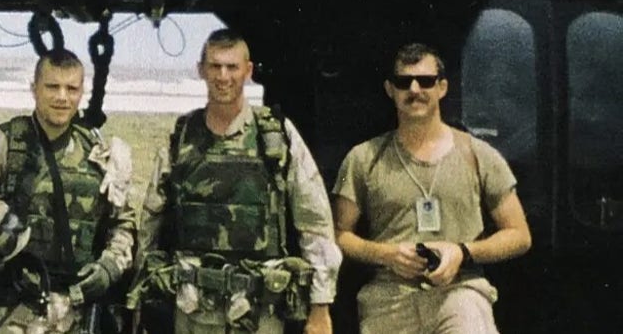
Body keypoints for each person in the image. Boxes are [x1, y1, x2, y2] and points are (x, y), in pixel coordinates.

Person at [132, 29, 341, 334]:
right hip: (194, 311)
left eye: (232, 67)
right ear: (201, 70)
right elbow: (151, 219)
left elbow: (315, 222)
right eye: (215, 66)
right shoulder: (182, 137)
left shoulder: (276, 136)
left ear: (248, 70)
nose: (223, 76)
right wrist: (141, 293)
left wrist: (321, 305)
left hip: (260, 312)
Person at [0, 48, 136, 334]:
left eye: (71, 88)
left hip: (74, 313)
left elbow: (123, 224)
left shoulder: (101, 156)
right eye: (52, 87)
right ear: (34, 89)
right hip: (8, 313)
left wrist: (109, 266)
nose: (62, 97)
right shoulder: (2, 144)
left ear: (82, 92)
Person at [331, 43, 531, 334]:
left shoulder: (478, 155)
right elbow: (339, 235)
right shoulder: (363, 158)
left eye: (425, 81)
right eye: (403, 82)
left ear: (442, 87)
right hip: (389, 299)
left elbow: (519, 235)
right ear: (389, 89)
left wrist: (462, 252)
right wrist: (387, 254)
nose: (414, 89)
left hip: (460, 291)